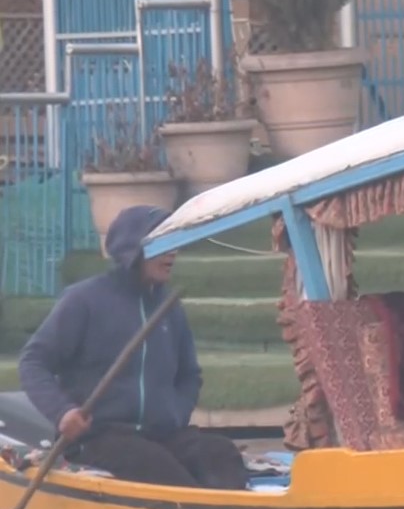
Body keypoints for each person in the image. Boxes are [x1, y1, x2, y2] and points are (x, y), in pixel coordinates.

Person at [18, 204, 249, 489]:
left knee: (219, 453)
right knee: (159, 469)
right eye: (163, 242)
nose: (173, 252)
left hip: (162, 434)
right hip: (99, 437)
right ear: (133, 249)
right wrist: (63, 411)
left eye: (174, 242)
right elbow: (33, 362)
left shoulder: (169, 307)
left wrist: (175, 413)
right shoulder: (83, 300)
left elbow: (190, 375)